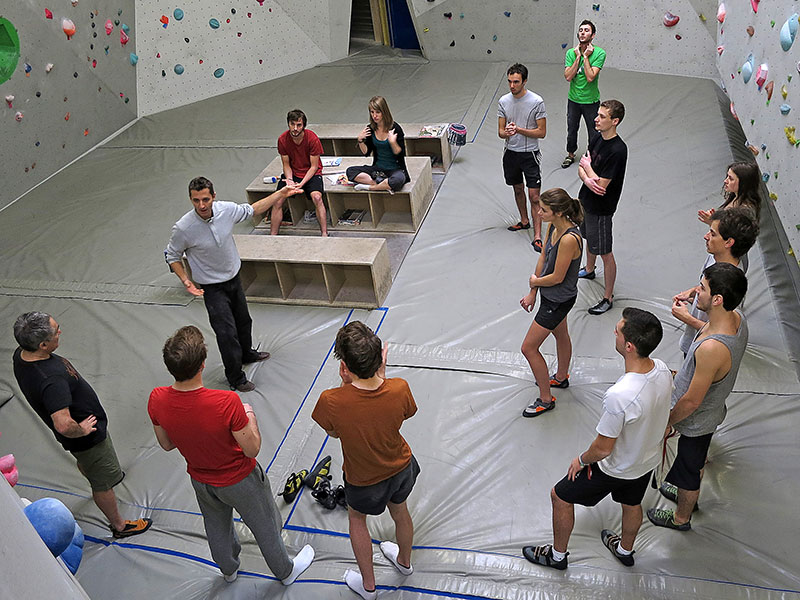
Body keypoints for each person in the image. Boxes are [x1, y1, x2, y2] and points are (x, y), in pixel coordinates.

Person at [148, 326, 314, 584]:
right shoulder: (226, 402)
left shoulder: (157, 398)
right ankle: (285, 571)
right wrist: (249, 416)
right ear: (203, 364)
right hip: (240, 480)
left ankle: (228, 569)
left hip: (201, 480)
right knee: (266, 525)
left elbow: (167, 444)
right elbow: (252, 448)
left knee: (216, 527)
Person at [523, 308, 672, 569]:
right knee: (632, 503)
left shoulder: (620, 395)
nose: (613, 331)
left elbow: (603, 449)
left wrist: (580, 460)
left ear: (628, 346)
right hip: (645, 461)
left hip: (614, 468)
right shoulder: (661, 369)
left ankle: (557, 557)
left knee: (560, 496)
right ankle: (625, 550)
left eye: (618, 329)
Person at [12, 312, 152, 539]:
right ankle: (119, 525)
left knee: (90, 465)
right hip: (89, 441)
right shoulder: (51, 380)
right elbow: (64, 425)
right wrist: (83, 430)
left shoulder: (22, 354)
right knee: (102, 482)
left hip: (82, 445)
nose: (60, 332)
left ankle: (96, 473)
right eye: (56, 331)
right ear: (43, 344)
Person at [164, 176, 302, 392]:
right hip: (212, 287)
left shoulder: (226, 210)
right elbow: (171, 254)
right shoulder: (183, 228)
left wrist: (281, 194)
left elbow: (253, 210)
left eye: (206, 199)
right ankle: (236, 377)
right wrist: (185, 280)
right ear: (190, 199)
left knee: (244, 321)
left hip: (234, 279)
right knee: (226, 334)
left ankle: (247, 353)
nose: (201, 205)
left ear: (214, 197)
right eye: (196, 200)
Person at [311, 322, 418, 600]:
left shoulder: (330, 400)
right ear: (380, 357)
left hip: (362, 480)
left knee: (357, 520)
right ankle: (405, 563)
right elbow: (403, 413)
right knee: (400, 511)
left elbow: (333, 433)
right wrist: (381, 376)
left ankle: (369, 588)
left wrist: (348, 385)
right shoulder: (400, 388)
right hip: (402, 468)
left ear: (343, 367)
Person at [648, 263, 748, 531]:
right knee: (690, 464)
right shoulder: (736, 319)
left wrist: (667, 421)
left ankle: (682, 516)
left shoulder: (712, 349)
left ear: (717, 299)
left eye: (702, 288)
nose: (697, 293)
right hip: (709, 412)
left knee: (690, 469)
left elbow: (692, 401)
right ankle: (684, 494)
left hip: (696, 421)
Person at [519, 189, 583, 417]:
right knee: (561, 333)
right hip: (550, 295)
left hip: (558, 300)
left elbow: (557, 277)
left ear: (557, 212)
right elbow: (543, 257)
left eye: (544, 210)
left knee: (528, 348)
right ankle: (561, 377)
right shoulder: (553, 226)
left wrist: (535, 282)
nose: (538, 212)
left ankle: (546, 399)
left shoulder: (568, 239)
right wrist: (533, 291)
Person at [673, 208, 758, 356]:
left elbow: (722, 333)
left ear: (729, 242)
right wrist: (694, 292)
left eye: (713, 234)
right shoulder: (715, 256)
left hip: (704, 351)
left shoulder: (732, 285)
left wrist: (687, 318)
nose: (706, 237)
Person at [576, 99, 628, 315]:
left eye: (602, 117)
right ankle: (589, 269)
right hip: (586, 200)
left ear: (614, 121)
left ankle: (608, 297)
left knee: (605, 252)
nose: (596, 119)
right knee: (588, 237)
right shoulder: (597, 137)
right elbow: (582, 165)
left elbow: (602, 186)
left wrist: (589, 174)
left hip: (602, 209)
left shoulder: (618, 150)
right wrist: (588, 177)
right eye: (597, 115)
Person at [498, 63, 548, 251]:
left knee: (534, 196)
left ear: (524, 81)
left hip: (530, 155)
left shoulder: (536, 102)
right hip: (511, 154)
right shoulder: (503, 101)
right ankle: (524, 220)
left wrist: (519, 130)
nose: (512, 86)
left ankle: (537, 236)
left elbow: (541, 132)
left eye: (516, 82)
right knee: (518, 189)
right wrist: (508, 133)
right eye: (510, 81)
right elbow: (500, 132)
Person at [271, 109, 327, 236]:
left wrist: (301, 183)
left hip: (311, 174)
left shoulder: (312, 139)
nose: (295, 128)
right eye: (292, 124)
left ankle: (324, 233)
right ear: (288, 124)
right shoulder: (282, 140)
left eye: (299, 125)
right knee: (277, 200)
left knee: (317, 198)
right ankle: (272, 235)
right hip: (293, 172)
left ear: (303, 126)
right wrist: (290, 180)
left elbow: (313, 167)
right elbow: (286, 164)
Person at [562, 20, 606, 169]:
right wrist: (578, 57)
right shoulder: (571, 53)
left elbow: (590, 77)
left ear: (592, 35)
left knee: (594, 131)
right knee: (572, 129)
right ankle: (570, 154)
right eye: (581, 30)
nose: (582, 32)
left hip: (591, 101)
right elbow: (568, 76)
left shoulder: (600, 53)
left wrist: (586, 57)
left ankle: (592, 157)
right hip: (573, 100)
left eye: (586, 30)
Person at [346, 96, 410, 194]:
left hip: (395, 169)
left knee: (397, 180)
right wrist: (360, 141)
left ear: (384, 112)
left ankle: (370, 187)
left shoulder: (395, 128)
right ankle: (383, 185)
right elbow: (366, 152)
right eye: (372, 112)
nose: (374, 116)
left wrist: (393, 143)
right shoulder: (370, 128)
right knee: (350, 171)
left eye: (377, 112)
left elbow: (400, 154)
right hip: (377, 170)